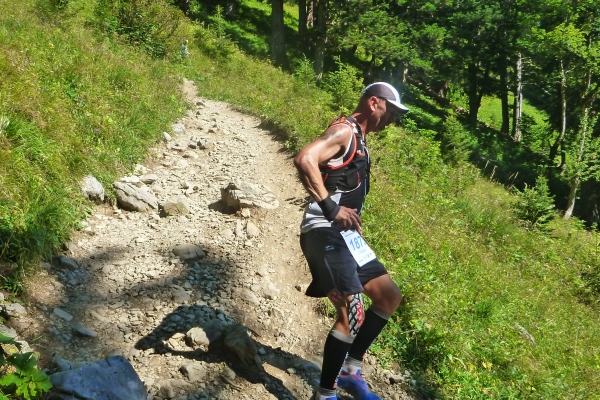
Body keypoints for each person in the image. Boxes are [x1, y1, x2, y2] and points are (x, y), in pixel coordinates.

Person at [294, 82, 408, 400]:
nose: (393, 119)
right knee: (352, 313)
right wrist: (331, 208)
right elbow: (305, 158)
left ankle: (350, 371)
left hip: (347, 237)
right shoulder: (344, 131)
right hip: (324, 232)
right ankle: (325, 394)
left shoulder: (360, 138)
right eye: (391, 111)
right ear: (374, 103)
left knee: (388, 297)